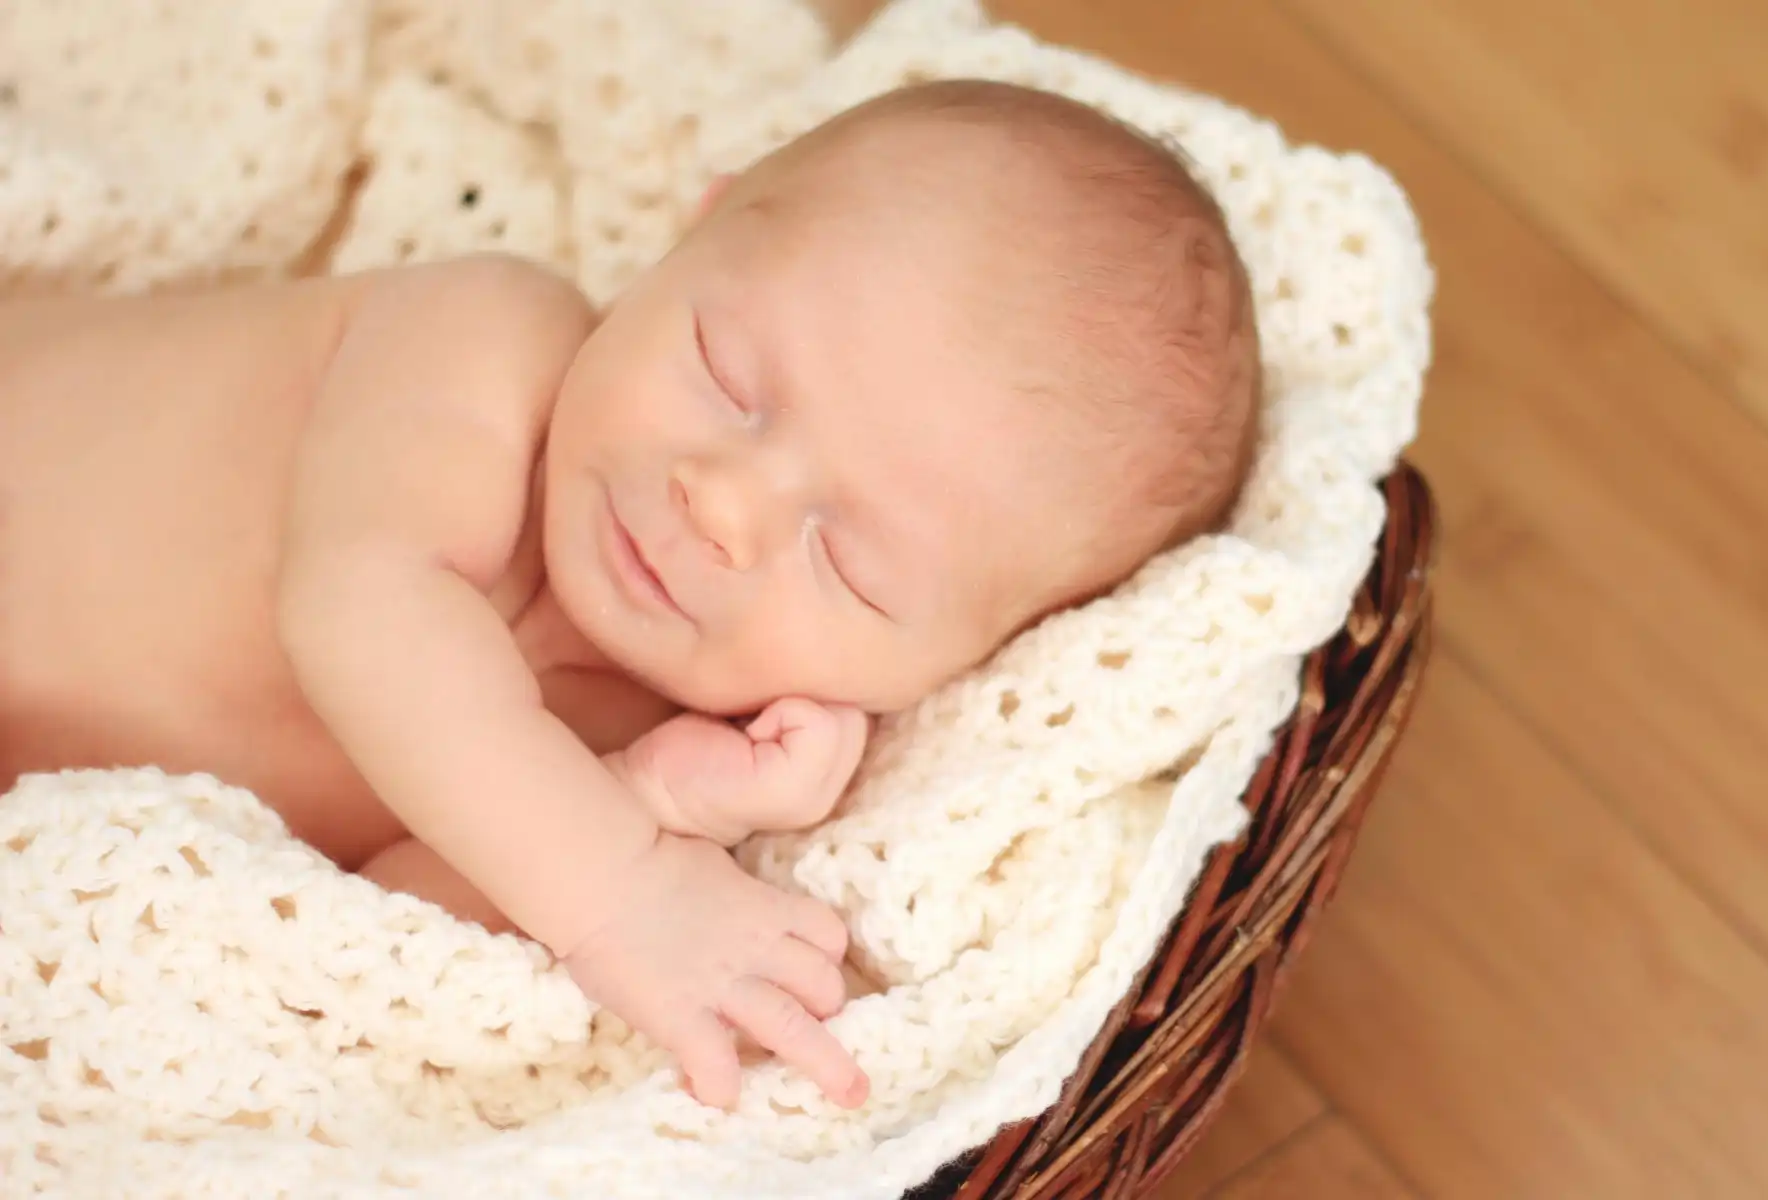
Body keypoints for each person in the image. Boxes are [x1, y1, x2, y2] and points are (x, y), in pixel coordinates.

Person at [0, 78, 1261, 1112]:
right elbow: (362, 611)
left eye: (849, 563)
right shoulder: (484, 345)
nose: (723, 505)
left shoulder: (603, 752)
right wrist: (623, 887)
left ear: (950, 672)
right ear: (689, 231)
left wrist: (646, 798)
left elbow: (363, 915)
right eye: (727, 374)